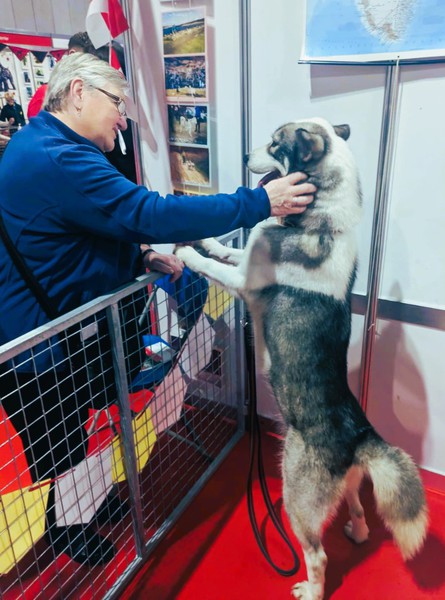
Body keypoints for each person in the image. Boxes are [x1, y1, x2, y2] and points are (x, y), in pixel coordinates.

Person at [0, 53, 315, 566]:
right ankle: (65, 527)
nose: (122, 119)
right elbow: (146, 212)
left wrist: (141, 256)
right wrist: (258, 202)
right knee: (59, 443)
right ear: (78, 92)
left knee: (75, 431)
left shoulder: (45, 145)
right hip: (41, 346)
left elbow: (84, 230)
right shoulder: (58, 157)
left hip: (62, 333)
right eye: (117, 104)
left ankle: (78, 508)